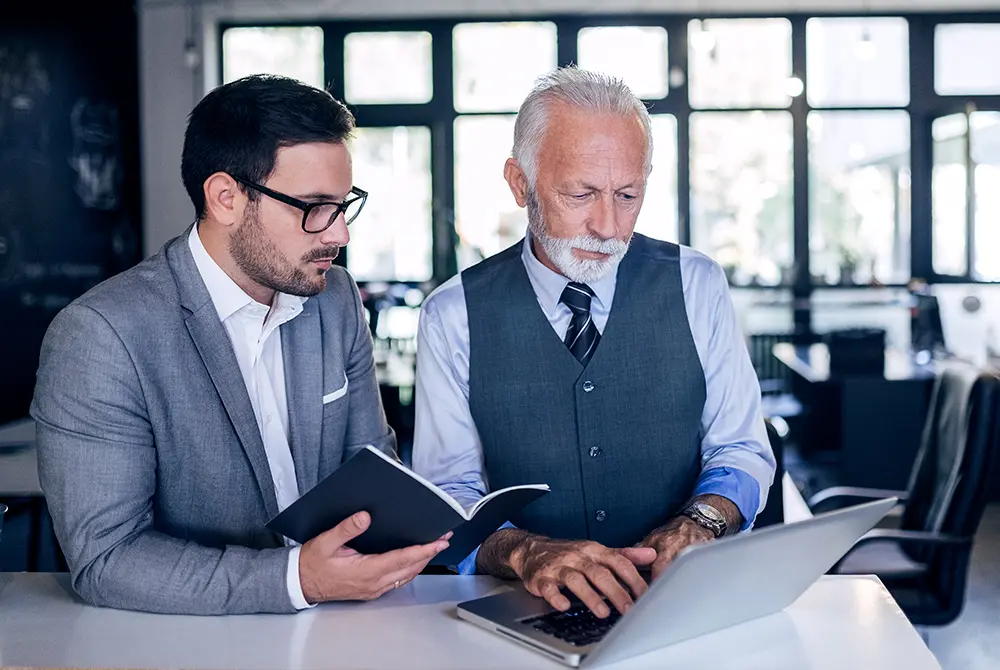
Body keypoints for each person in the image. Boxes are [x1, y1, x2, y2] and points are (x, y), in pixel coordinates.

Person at [30, 75, 449, 615]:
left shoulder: (335, 299)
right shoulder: (102, 335)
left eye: (344, 205)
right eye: (314, 207)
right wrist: (298, 580)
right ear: (226, 198)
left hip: (345, 624)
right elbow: (107, 560)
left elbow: (371, 471)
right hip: (187, 641)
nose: (340, 234)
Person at [411, 67, 775, 620]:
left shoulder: (697, 284)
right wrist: (524, 551)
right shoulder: (452, 313)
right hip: (520, 606)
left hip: (677, 602)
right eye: (580, 194)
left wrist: (701, 521)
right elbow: (448, 493)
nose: (607, 226)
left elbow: (742, 447)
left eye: (628, 195)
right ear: (520, 183)